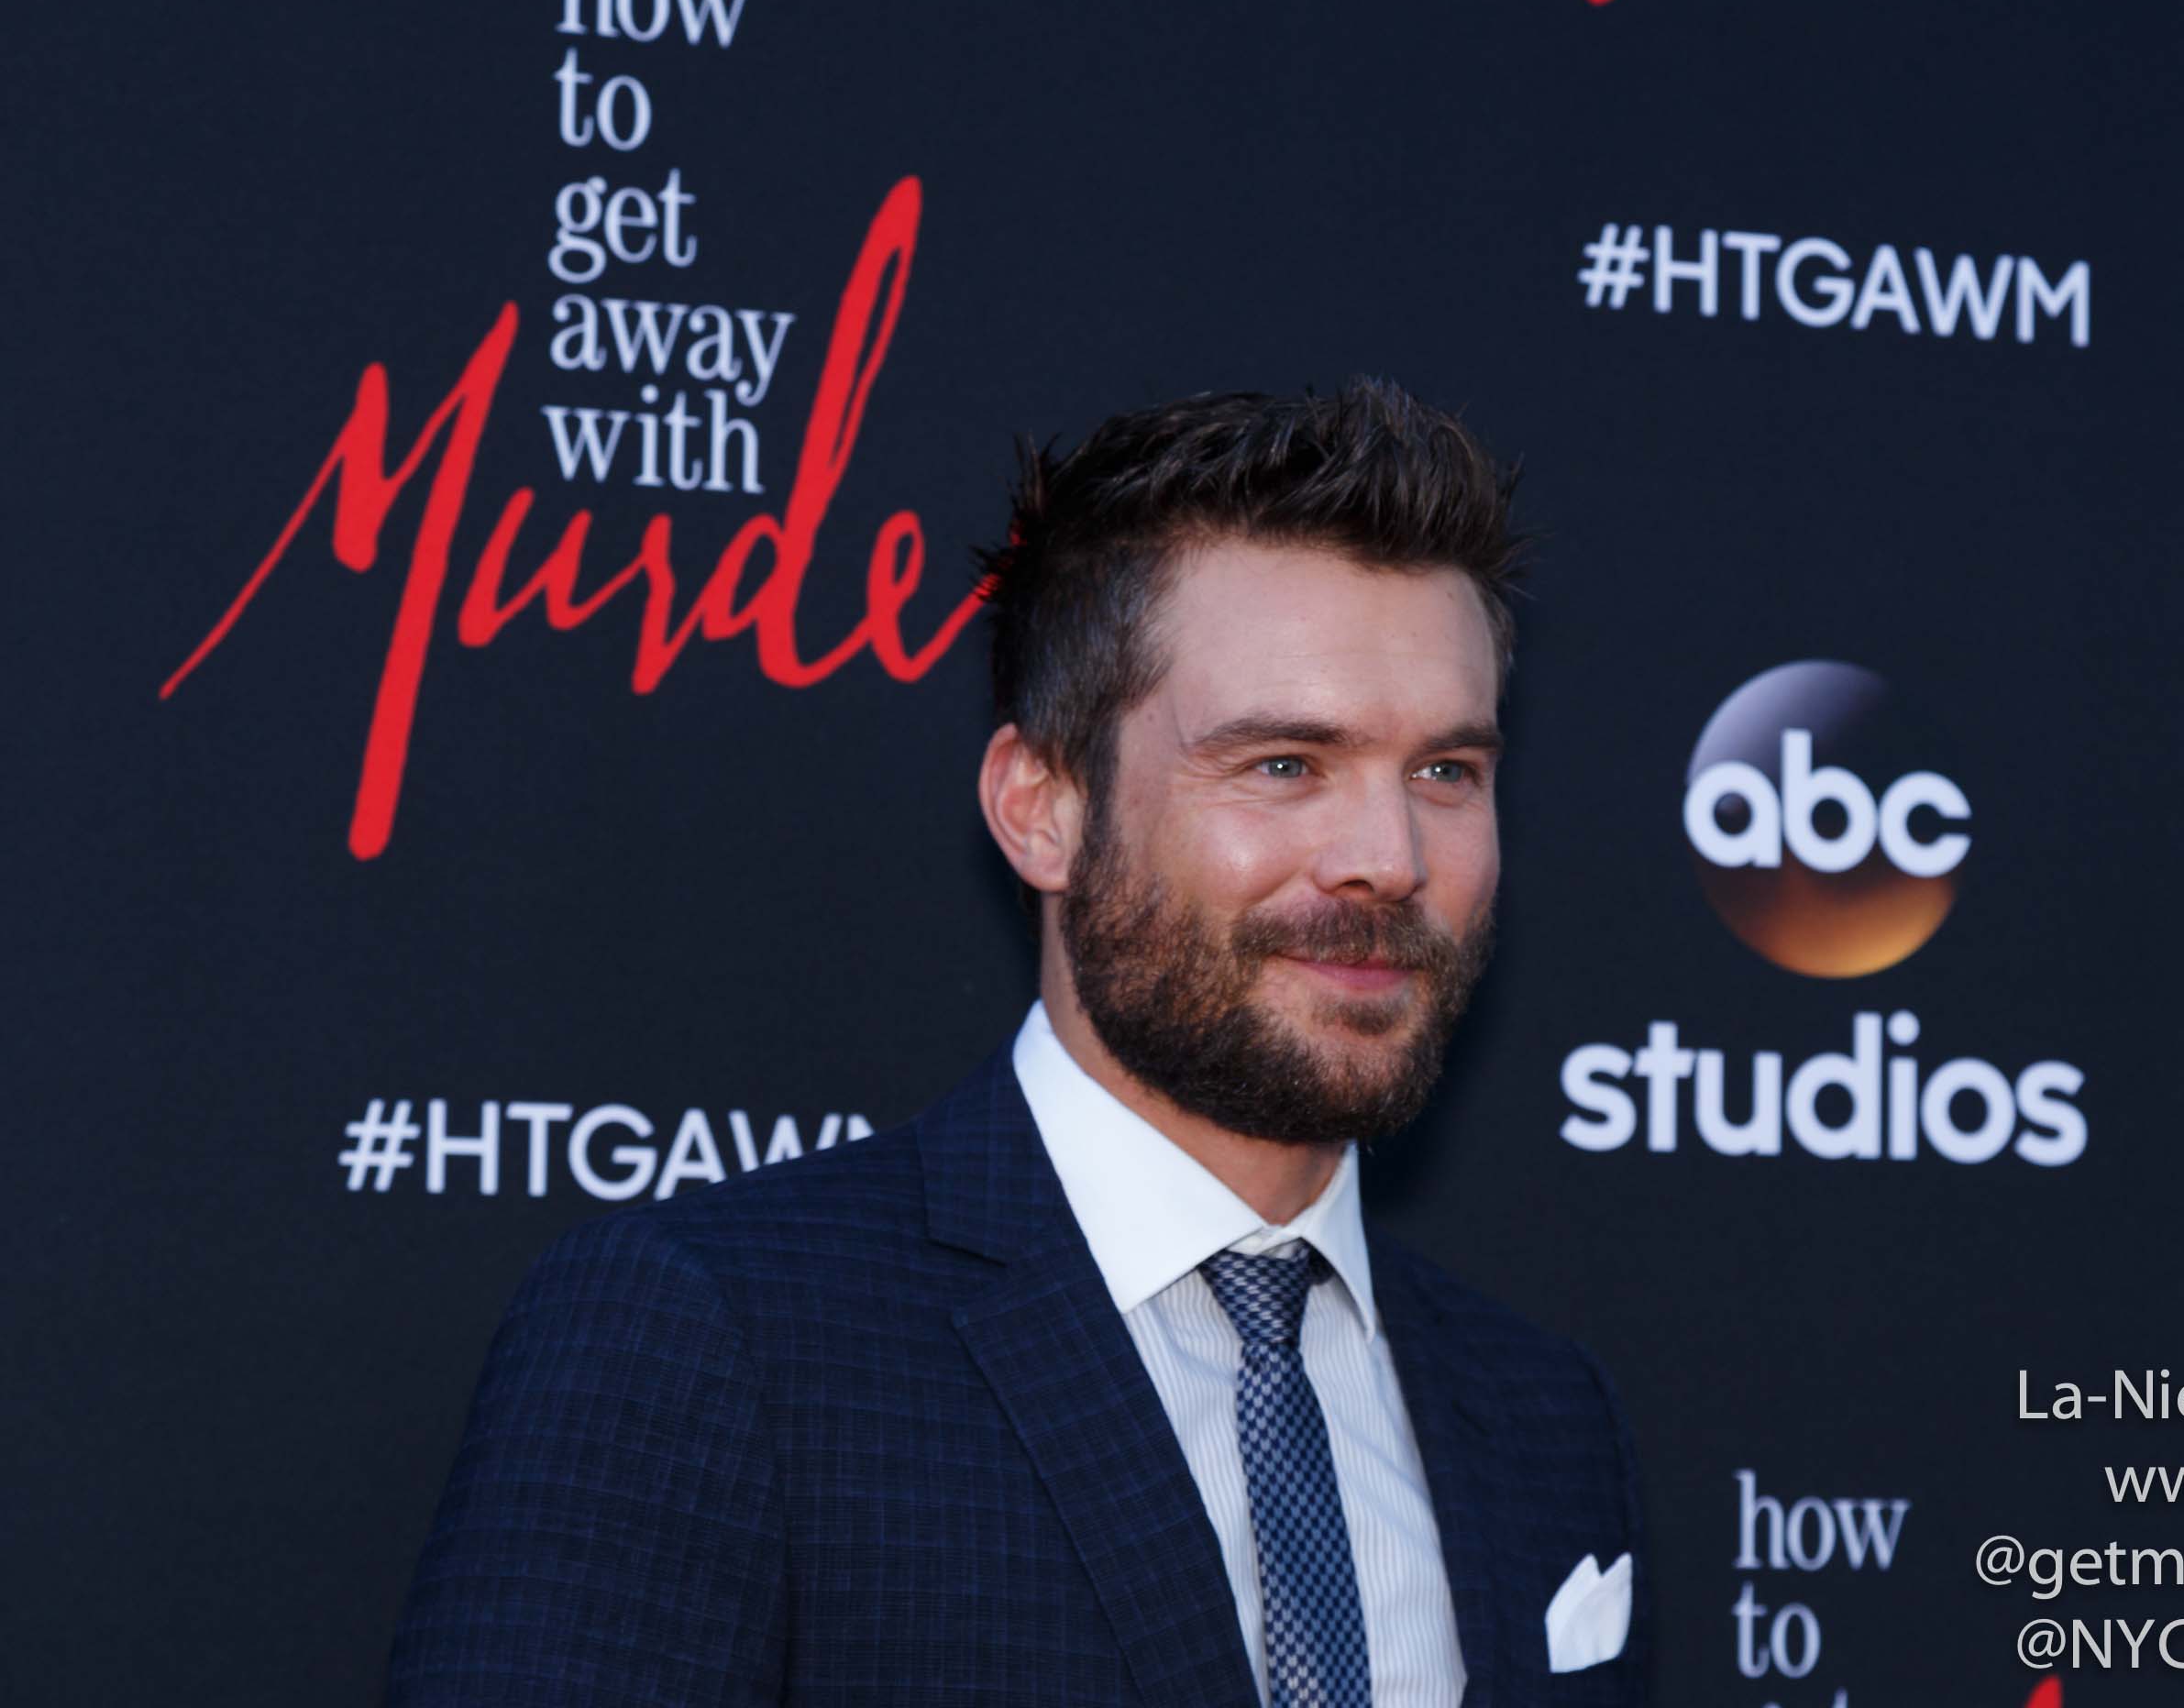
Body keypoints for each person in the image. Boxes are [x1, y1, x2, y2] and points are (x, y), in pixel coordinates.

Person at [385, 380, 1649, 1706]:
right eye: (1284, 764)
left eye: (1445, 773)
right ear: (1042, 808)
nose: (1389, 859)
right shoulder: (715, 1341)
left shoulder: (1541, 1417)